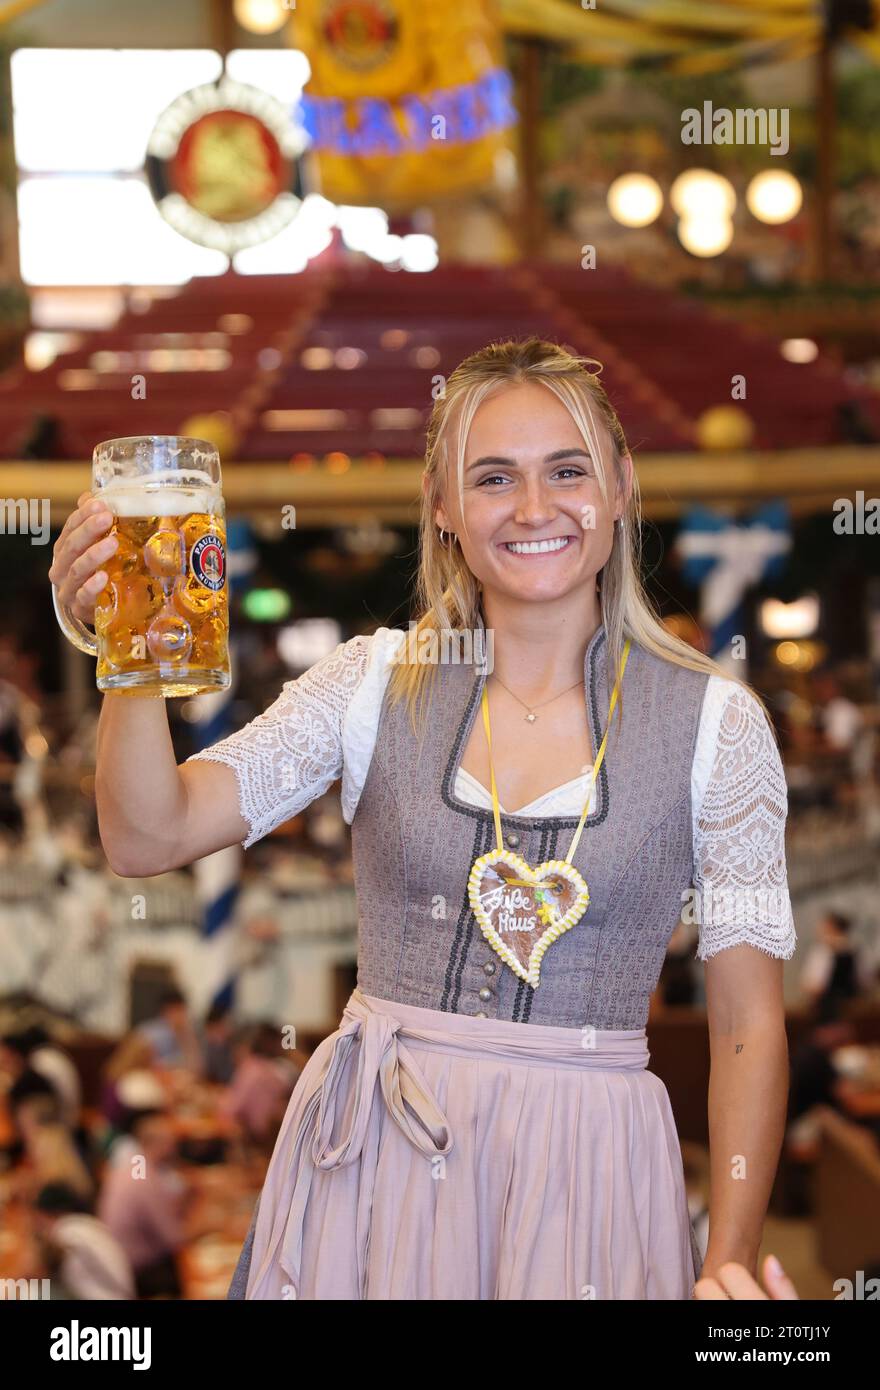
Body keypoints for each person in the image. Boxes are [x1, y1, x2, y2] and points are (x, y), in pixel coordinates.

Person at [50, 337, 797, 1300]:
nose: (534, 508)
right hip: (376, 1163)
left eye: (566, 471)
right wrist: (129, 657)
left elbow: (744, 1025)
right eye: (493, 478)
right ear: (444, 511)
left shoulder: (718, 725)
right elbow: (146, 835)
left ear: (618, 487)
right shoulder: (369, 683)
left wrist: (729, 1257)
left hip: (588, 1171)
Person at [96, 1109, 186, 1299]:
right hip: (139, 1272)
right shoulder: (145, 1179)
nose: (175, 1146)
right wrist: (209, 1223)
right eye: (169, 1140)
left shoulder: (133, 1167)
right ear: (154, 1143)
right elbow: (175, 1239)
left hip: (119, 1262)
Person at [32, 1181, 136, 1300]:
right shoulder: (86, 1223)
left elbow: (41, 1269)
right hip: (121, 1292)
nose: (38, 1225)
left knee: (37, 1293)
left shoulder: (66, 1229)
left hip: (107, 1295)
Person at [799, 911, 876, 1020]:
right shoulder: (858, 950)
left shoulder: (822, 952)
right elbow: (866, 981)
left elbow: (815, 985)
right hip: (852, 1009)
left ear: (831, 927)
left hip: (827, 1009)